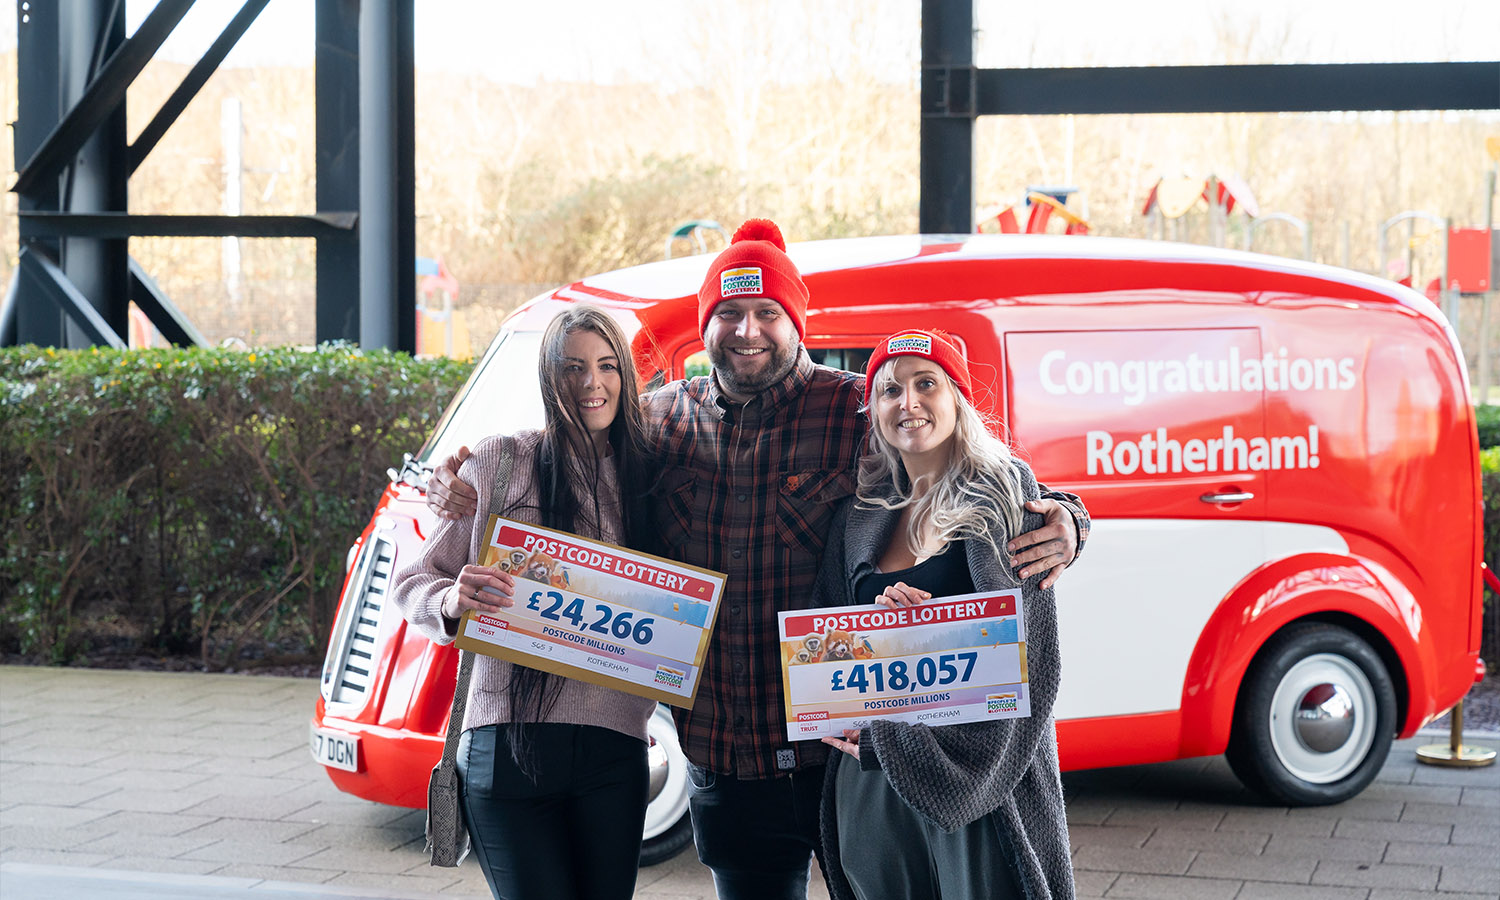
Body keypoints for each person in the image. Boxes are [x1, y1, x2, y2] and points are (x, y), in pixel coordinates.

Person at [426, 219, 1089, 900]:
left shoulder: (857, 408)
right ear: (707, 322)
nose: (748, 331)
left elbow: (959, 456)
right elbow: (572, 445)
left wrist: (1068, 516)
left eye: (767, 312)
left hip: (841, 752)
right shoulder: (657, 423)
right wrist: (468, 477)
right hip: (727, 757)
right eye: (730, 313)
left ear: (795, 322)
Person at [390, 306, 658, 900]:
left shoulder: (652, 473)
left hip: (615, 747)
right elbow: (412, 580)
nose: (593, 383)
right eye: (574, 367)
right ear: (548, 377)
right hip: (506, 744)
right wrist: (452, 600)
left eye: (608, 366)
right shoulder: (500, 460)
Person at [812, 329, 1074, 900]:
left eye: (924, 383)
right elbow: (826, 650)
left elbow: (1036, 663)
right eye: (888, 391)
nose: (907, 403)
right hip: (874, 779)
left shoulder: (1008, 498)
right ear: (873, 411)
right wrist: (884, 632)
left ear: (956, 397)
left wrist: (934, 632)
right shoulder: (857, 516)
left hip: (980, 780)